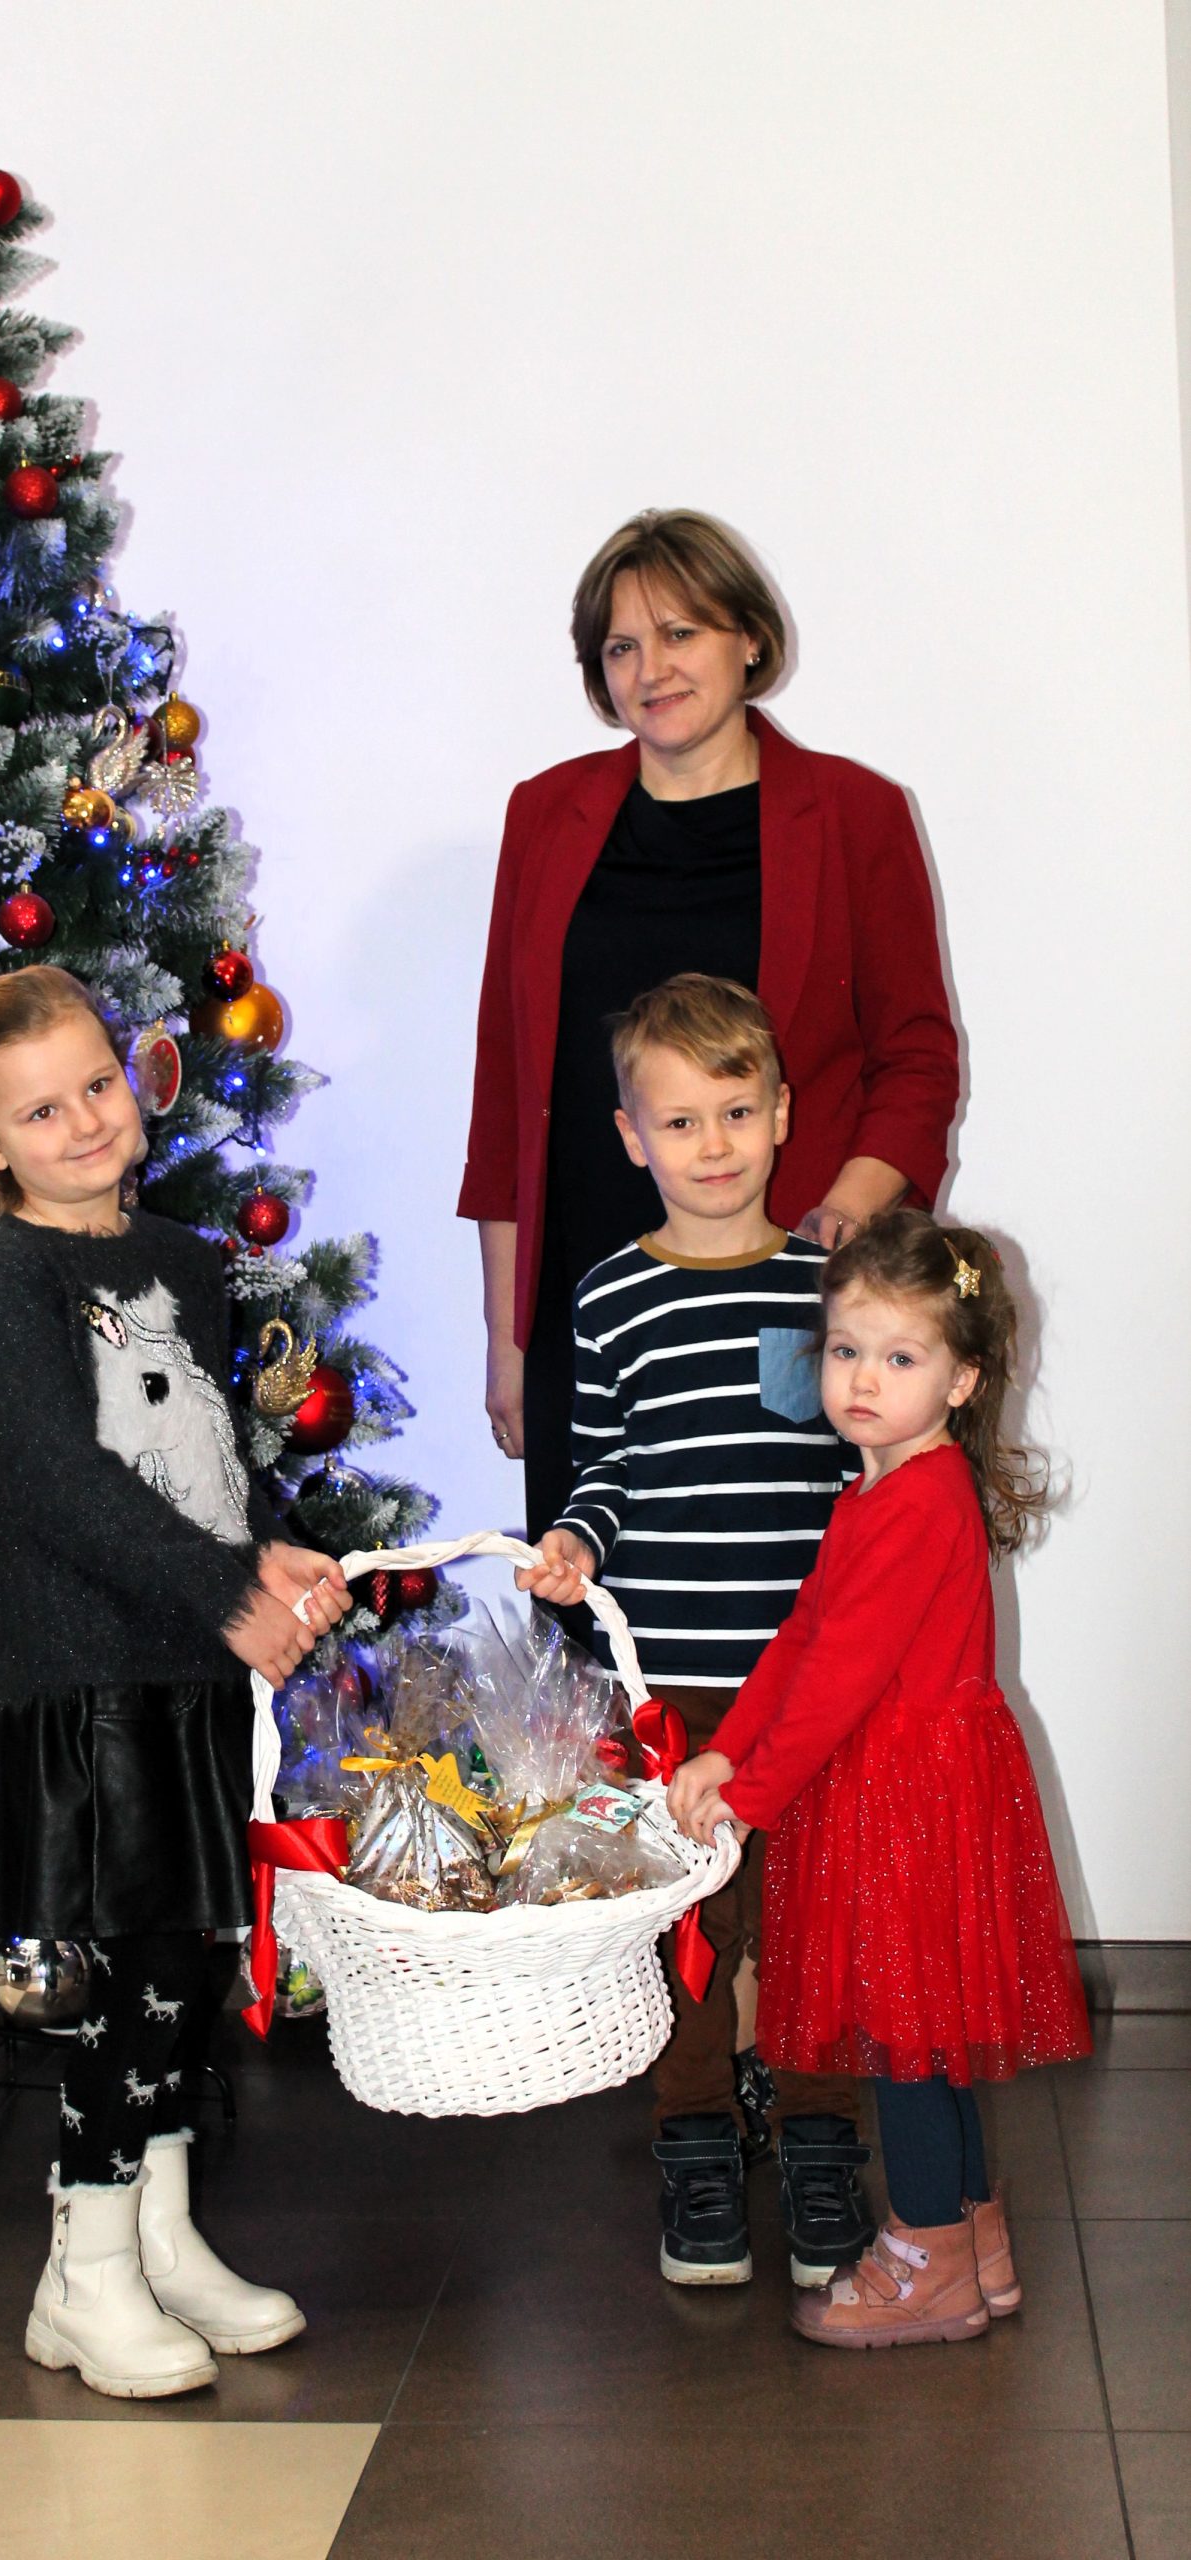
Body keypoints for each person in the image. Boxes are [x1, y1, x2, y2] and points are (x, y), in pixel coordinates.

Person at [0, 963, 349, 2399]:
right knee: (123, 1967)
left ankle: (161, 2241)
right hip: (82, 1672)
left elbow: (201, 1460)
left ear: (135, 1077)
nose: (83, 1124)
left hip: (186, 1663)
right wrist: (229, 1593)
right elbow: (54, 1485)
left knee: (188, 1953)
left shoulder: (180, 1260)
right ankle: (85, 2269)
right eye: (38, 1112)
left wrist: (266, 1556)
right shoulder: (3, 1276)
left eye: (97, 1086)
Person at [459, 506, 959, 1556]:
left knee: (775, 1580)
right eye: (620, 647)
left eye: (680, 632)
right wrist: (509, 1338)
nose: (652, 669)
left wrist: (835, 1225)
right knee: (593, 1594)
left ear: (750, 639)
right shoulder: (543, 816)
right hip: (585, 1296)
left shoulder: (855, 813)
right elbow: (506, 1090)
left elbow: (915, 1059)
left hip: (785, 1293)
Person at [668, 1209, 1091, 2348]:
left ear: (962, 1380)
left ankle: (927, 2259)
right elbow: (804, 1637)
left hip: (910, 1800)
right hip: (901, 1788)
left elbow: (840, 1676)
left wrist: (749, 1796)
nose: (861, 1379)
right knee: (928, 2032)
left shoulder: (917, 1501)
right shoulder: (877, 1491)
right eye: (847, 1349)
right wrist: (727, 1747)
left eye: (900, 1358)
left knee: (908, 2039)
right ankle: (972, 2244)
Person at [516, 973, 870, 2289]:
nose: (711, 1145)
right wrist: (574, 1541)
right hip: (672, 1685)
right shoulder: (613, 1295)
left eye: (734, 1111)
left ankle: (823, 2135)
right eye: (678, 1121)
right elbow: (605, 1467)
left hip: (812, 1687)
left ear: (781, 1114)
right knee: (691, 1927)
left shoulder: (826, 1288)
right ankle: (696, 2136)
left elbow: (860, 1471)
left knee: (815, 1922)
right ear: (631, 1137)